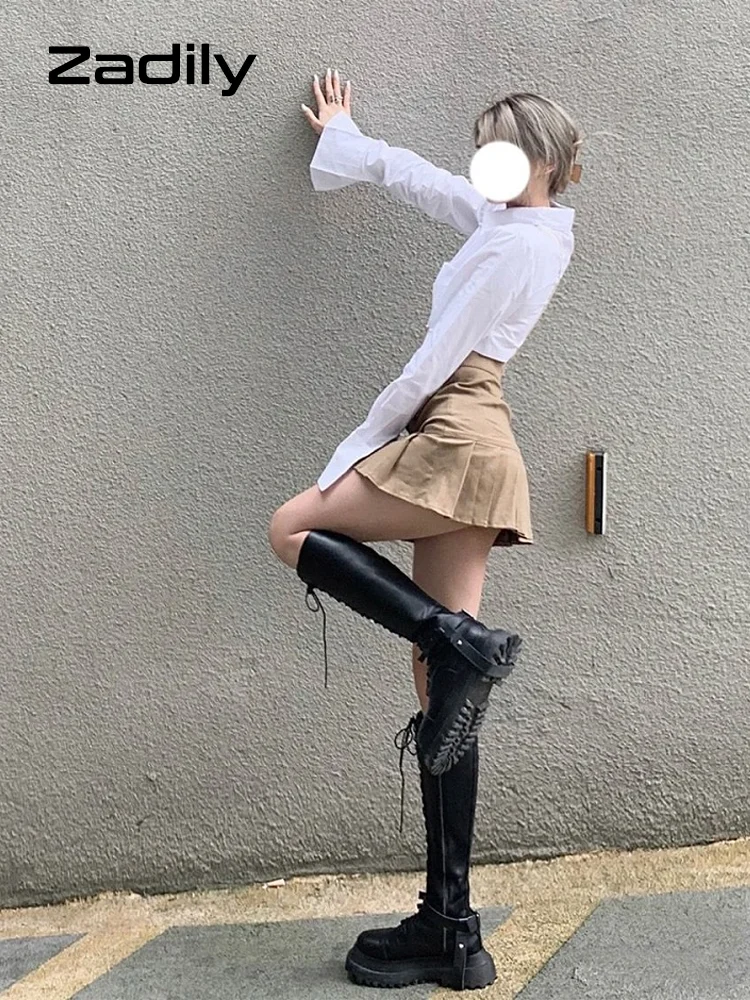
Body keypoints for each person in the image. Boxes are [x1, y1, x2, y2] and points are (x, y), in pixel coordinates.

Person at [268, 67, 583, 991]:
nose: (487, 164)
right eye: (484, 150)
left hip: (455, 427)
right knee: (441, 691)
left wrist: (354, 450)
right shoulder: (519, 223)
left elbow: (429, 365)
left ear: (547, 160)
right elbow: (425, 182)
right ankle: (452, 930)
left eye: (505, 150)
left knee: (293, 527)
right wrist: (347, 138)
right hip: (478, 435)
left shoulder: (512, 247)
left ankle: (461, 641)